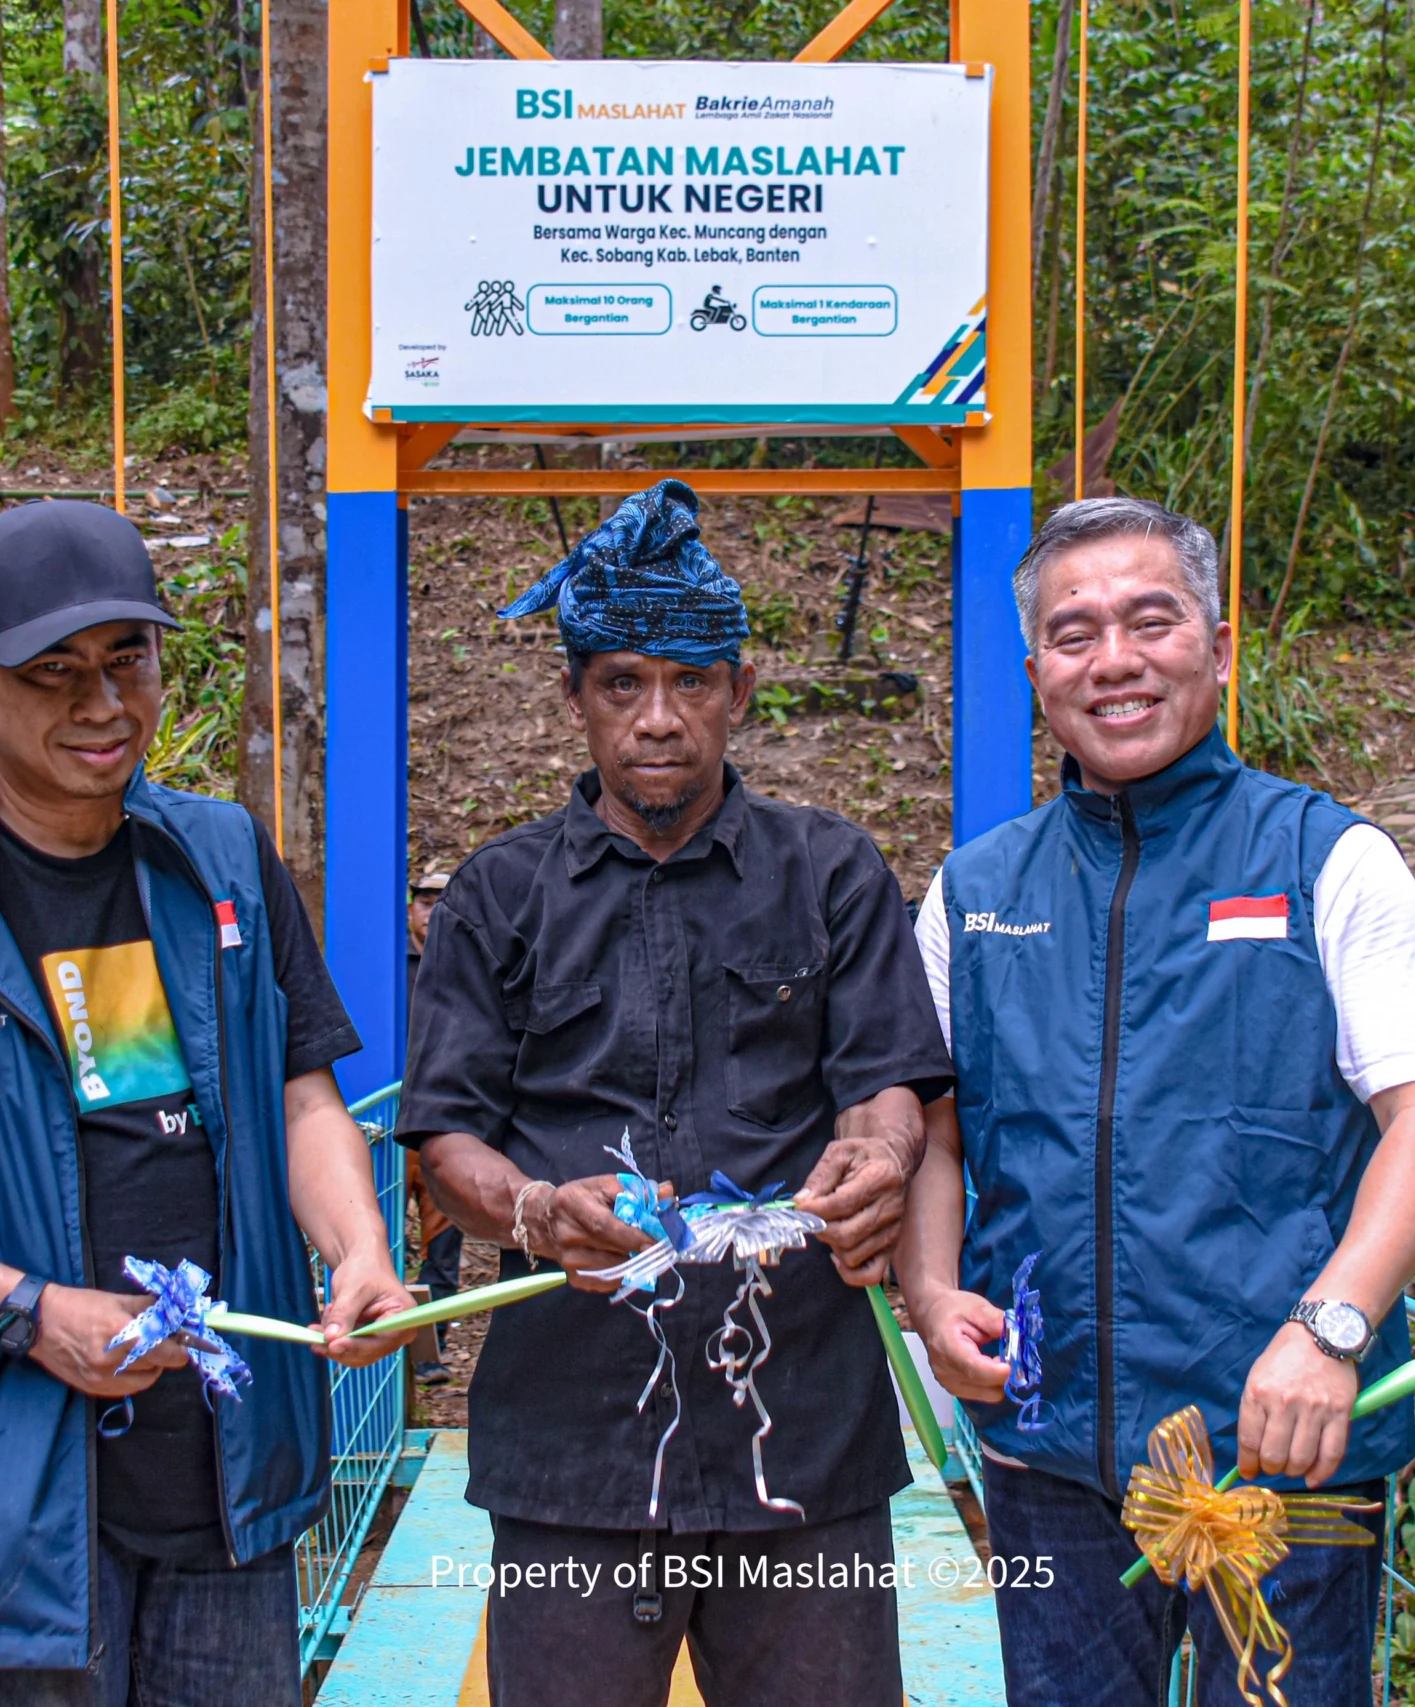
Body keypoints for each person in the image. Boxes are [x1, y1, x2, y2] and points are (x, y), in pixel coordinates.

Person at [0, 499, 414, 1705]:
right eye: (54, 675)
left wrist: (359, 1244)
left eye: (128, 661)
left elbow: (299, 1093)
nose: (103, 707)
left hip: (225, 1477)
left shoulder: (218, 861)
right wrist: (27, 1310)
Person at [896, 497, 1415, 1707]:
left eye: (1149, 620)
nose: (1113, 659)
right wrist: (928, 1288)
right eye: (1075, 632)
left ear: (1217, 646)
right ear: (1035, 672)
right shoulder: (975, 890)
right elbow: (935, 1132)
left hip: (1280, 1454)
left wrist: (1331, 1335)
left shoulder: (1327, 857)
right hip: (1045, 1456)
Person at [398, 480, 952, 1707]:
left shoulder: (833, 871)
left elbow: (882, 1084)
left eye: (691, 683)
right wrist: (536, 1208)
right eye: (622, 685)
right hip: (572, 1442)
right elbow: (444, 1133)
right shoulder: (499, 894)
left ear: (739, 694)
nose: (659, 720)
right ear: (575, 699)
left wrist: (880, 1162)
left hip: (801, 1433)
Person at [406, 868, 462, 1384]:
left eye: (445, 900)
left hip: (442, 1127)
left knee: (441, 1248)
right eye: (426, 900)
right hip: (387, 1125)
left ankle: (430, 1351)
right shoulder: (389, 969)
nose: (434, 910)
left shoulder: (467, 967)